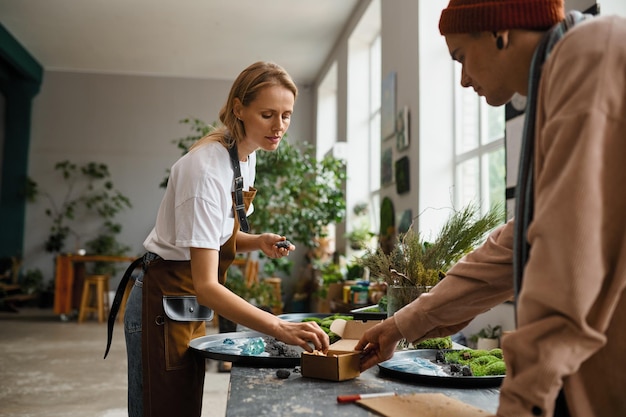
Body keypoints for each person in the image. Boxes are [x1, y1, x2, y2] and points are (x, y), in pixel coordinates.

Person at [355, 1, 626, 416]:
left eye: (461, 57)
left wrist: (520, 402)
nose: (463, 80)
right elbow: (520, 241)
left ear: (501, 31)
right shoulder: (563, 69)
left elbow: (564, 259)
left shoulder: (590, 54)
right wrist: (403, 323)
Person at [109, 61, 330, 417]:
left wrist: (255, 240)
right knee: (162, 408)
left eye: (286, 115)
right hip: (162, 302)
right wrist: (278, 327)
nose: (279, 127)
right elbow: (207, 285)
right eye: (268, 114)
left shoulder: (245, 155)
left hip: (185, 302)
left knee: (183, 403)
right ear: (239, 109)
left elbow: (212, 236)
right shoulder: (206, 169)